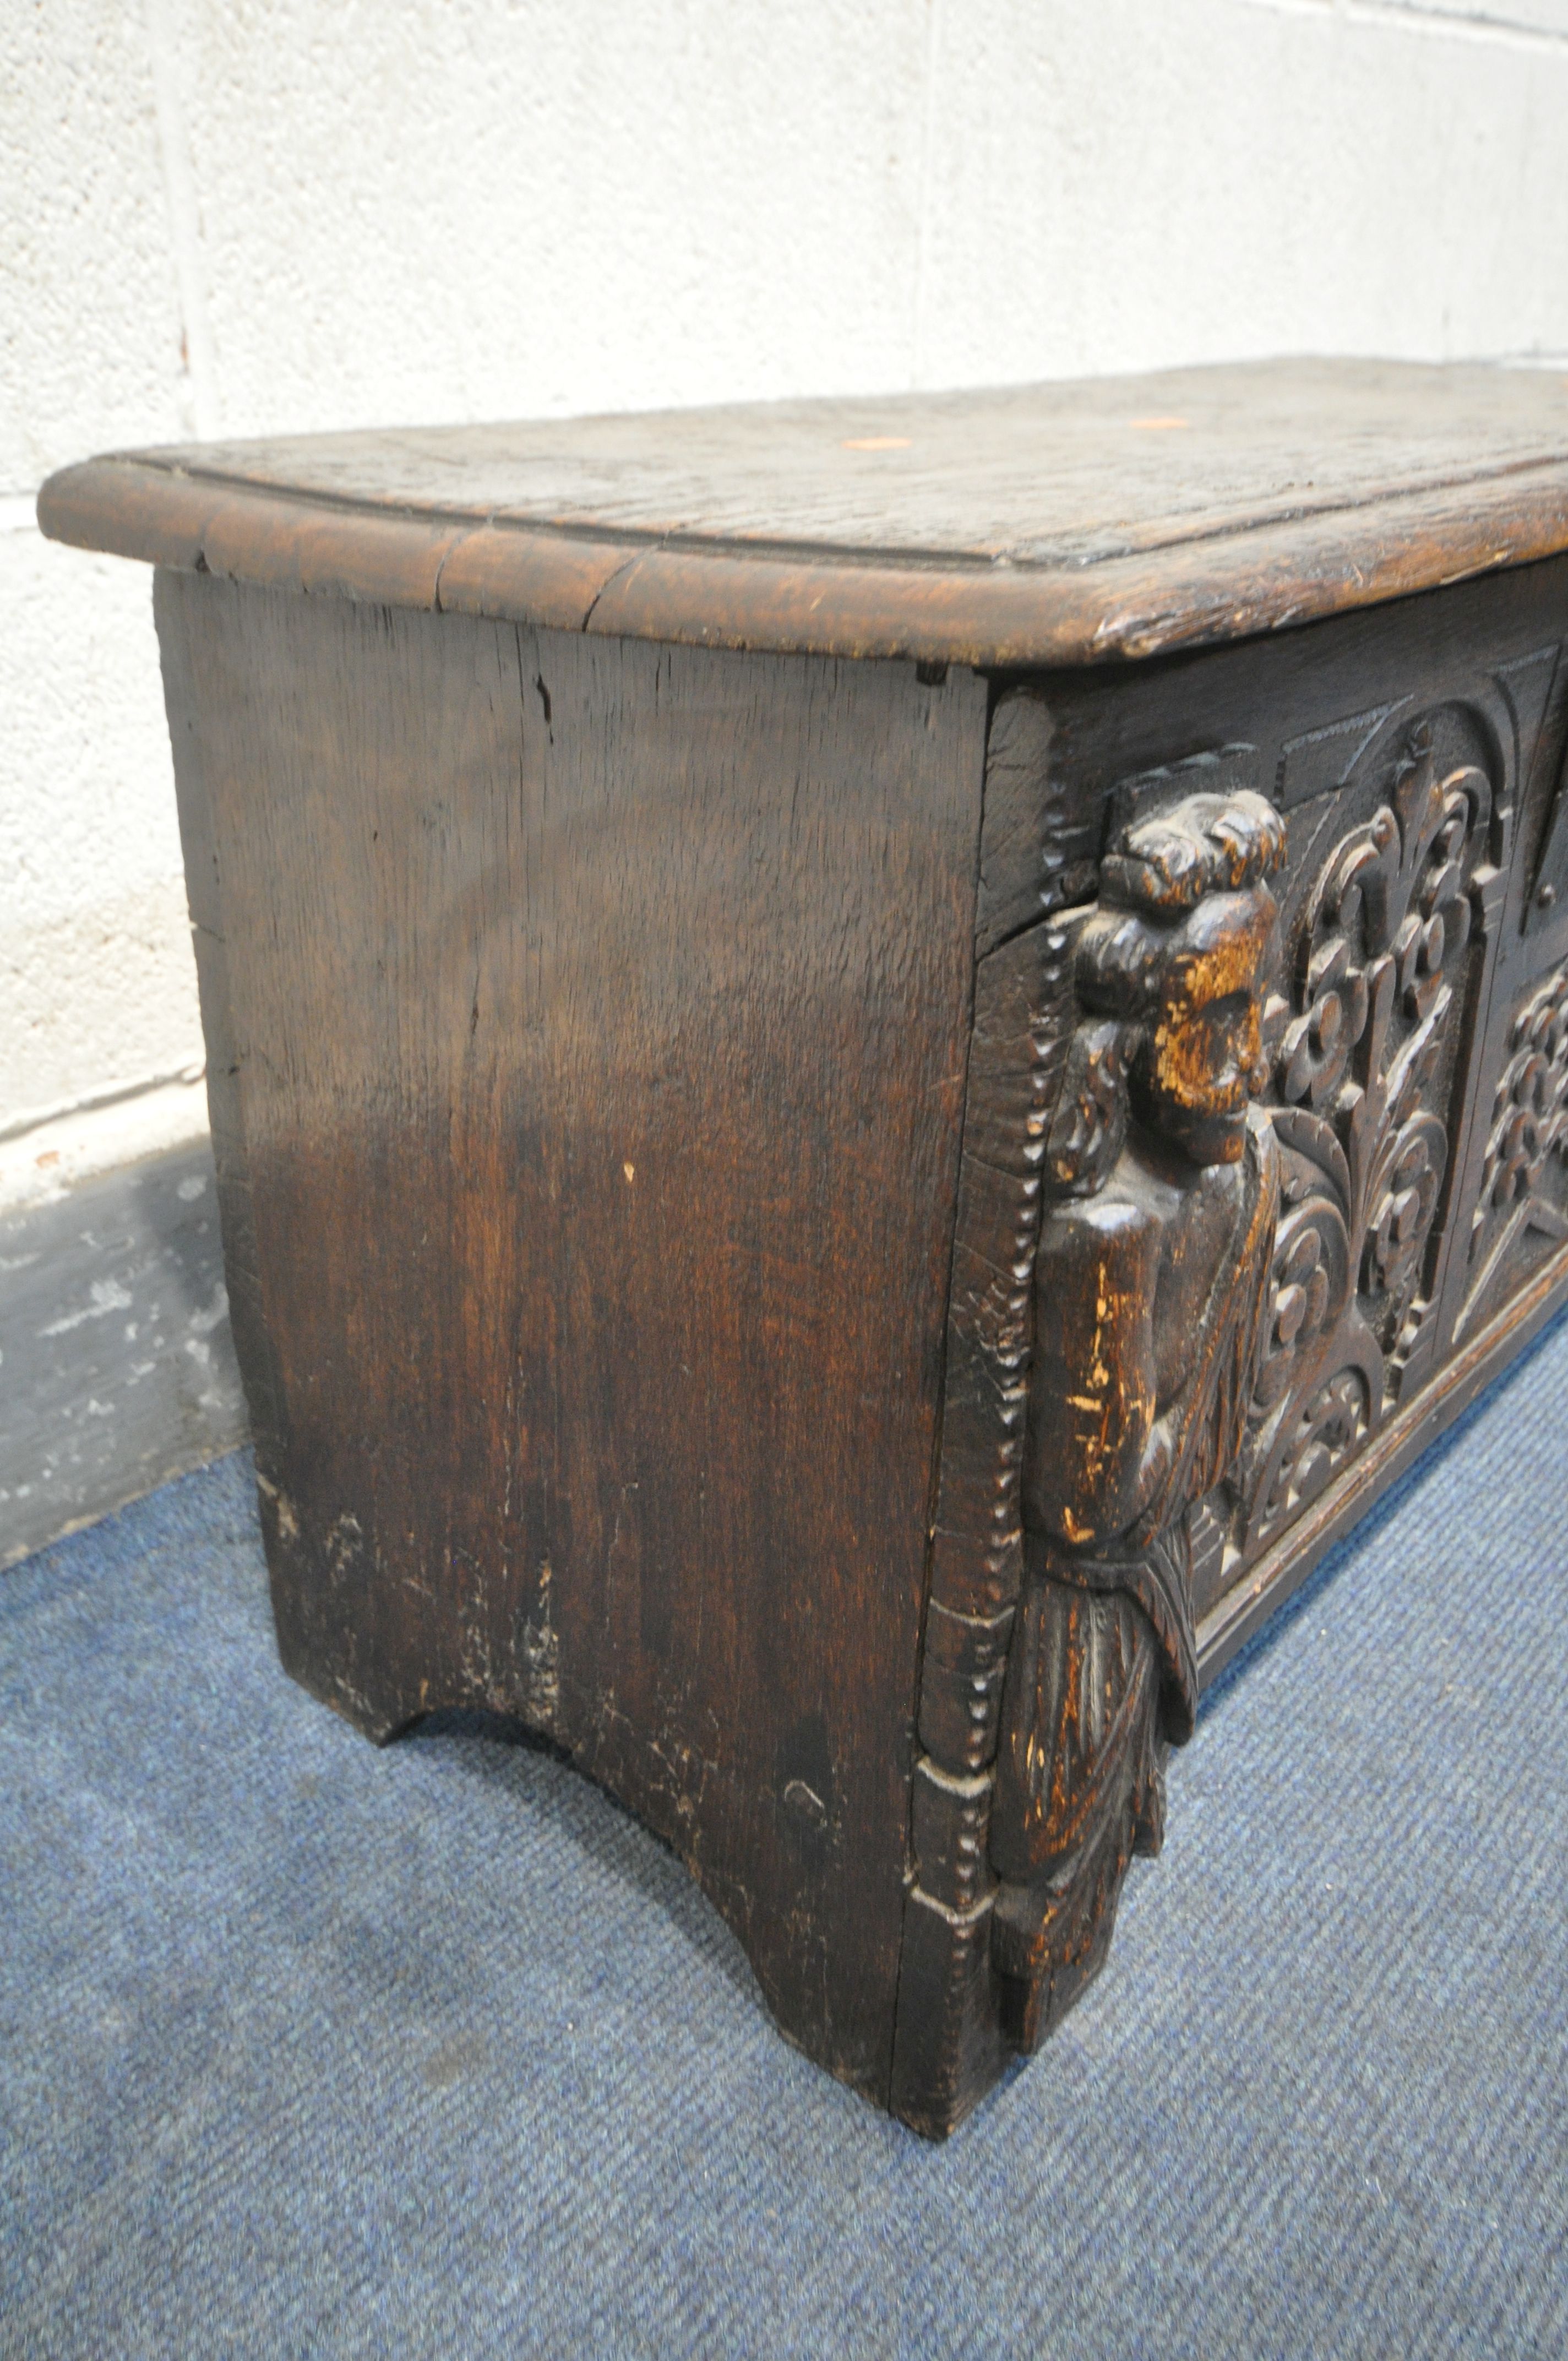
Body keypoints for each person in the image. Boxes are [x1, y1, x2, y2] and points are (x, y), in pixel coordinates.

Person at [990, 786, 1287, 2048]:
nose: (1252, 1053)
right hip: (1078, 1631)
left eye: (1253, 1006)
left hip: (1135, 1580)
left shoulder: (1231, 1174)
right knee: (1053, 1854)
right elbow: (1086, 1497)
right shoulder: (1107, 1230)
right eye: (1215, 1015)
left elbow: (1187, 1445)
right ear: (1127, 1040)